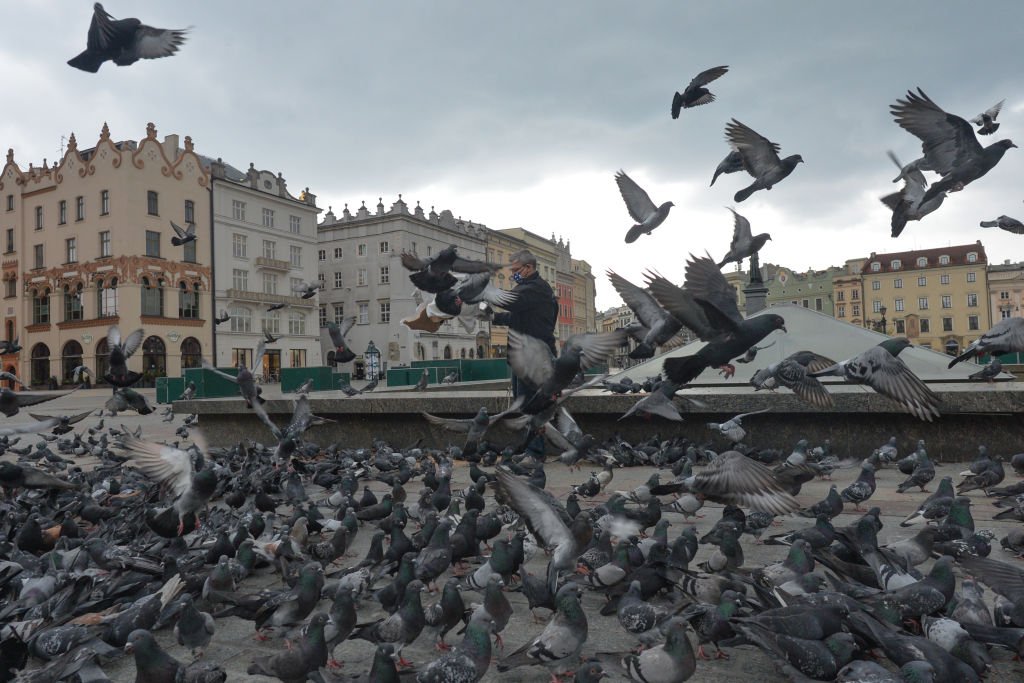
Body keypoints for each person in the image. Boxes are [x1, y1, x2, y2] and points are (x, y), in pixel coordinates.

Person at [491, 249, 558, 398]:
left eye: (516, 270)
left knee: (527, 408)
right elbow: (517, 317)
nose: (513, 274)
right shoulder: (527, 288)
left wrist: (484, 292)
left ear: (528, 267)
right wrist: (493, 317)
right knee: (522, 406)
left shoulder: (536, 288)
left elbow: (511, 300)